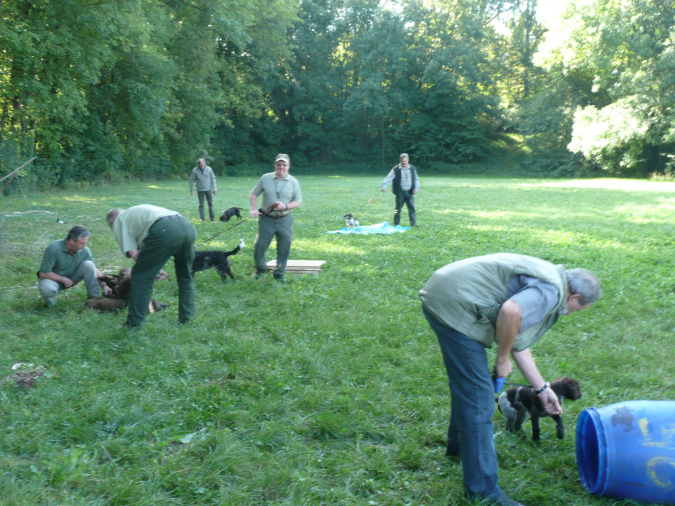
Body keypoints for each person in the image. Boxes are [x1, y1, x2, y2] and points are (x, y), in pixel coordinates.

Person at [419, 253, 600, 506]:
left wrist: (541, 387)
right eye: (577, 309)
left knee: (471, 387)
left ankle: (459, 446)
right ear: (575, 297)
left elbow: (515, 331)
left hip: (448, 292)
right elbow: (510, 310)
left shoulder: (553, 279)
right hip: (453, 303)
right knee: (479, 399)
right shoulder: (551, 291)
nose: (571, 314)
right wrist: (502, 358)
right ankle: (483, 491)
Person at [105, 205, 196, 329]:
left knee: (140, 277)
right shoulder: (137, 214)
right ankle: (187, 317)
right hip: (186, 225)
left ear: (112, 222)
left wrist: (152, 268)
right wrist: (155, 267)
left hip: (165, 230)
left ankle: (134, 324)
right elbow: (150, 254)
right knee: (185, 275)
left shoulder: (119, 221)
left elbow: (135, 254)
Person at [249, 153, 302, 281]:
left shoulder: (293, 182)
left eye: (284, 165)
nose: (281, 167)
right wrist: (254, 209)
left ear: (288, 166)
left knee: (284, 247)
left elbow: (298, 202)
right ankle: (260, 268)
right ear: (275, 165)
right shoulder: (265, 178)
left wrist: (286, 206)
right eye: (279, 164)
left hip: (285, 219)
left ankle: (279, 274)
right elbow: (254, 193)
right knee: (260, 245)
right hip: (266, 218)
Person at [38, 225, 112, 307]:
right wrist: (64, 279)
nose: (84, 246)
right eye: (81, 243)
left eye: (85, 243)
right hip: (54, 280)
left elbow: (93, 269)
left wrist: (104, 285)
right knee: (46, 288)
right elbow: (44, 273)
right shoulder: (53, 248)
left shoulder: (85, 250)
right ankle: (51, 307)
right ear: (72, 241)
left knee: (89, 264)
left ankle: (94, 299)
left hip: (74, 278)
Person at [381, 153, 420, 227]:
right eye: (402, 161)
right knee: (398, 209)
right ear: (400, 161)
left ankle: (413, 223)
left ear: (408, 160)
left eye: (405, 161)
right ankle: (396, 223)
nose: (404, 163)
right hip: (400, 192)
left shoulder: (412, 168)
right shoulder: (396, 169)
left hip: (409, 192)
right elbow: (389, 178)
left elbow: (416, 179)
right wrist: (384, 186)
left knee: (412, 208)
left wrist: (416, 188)